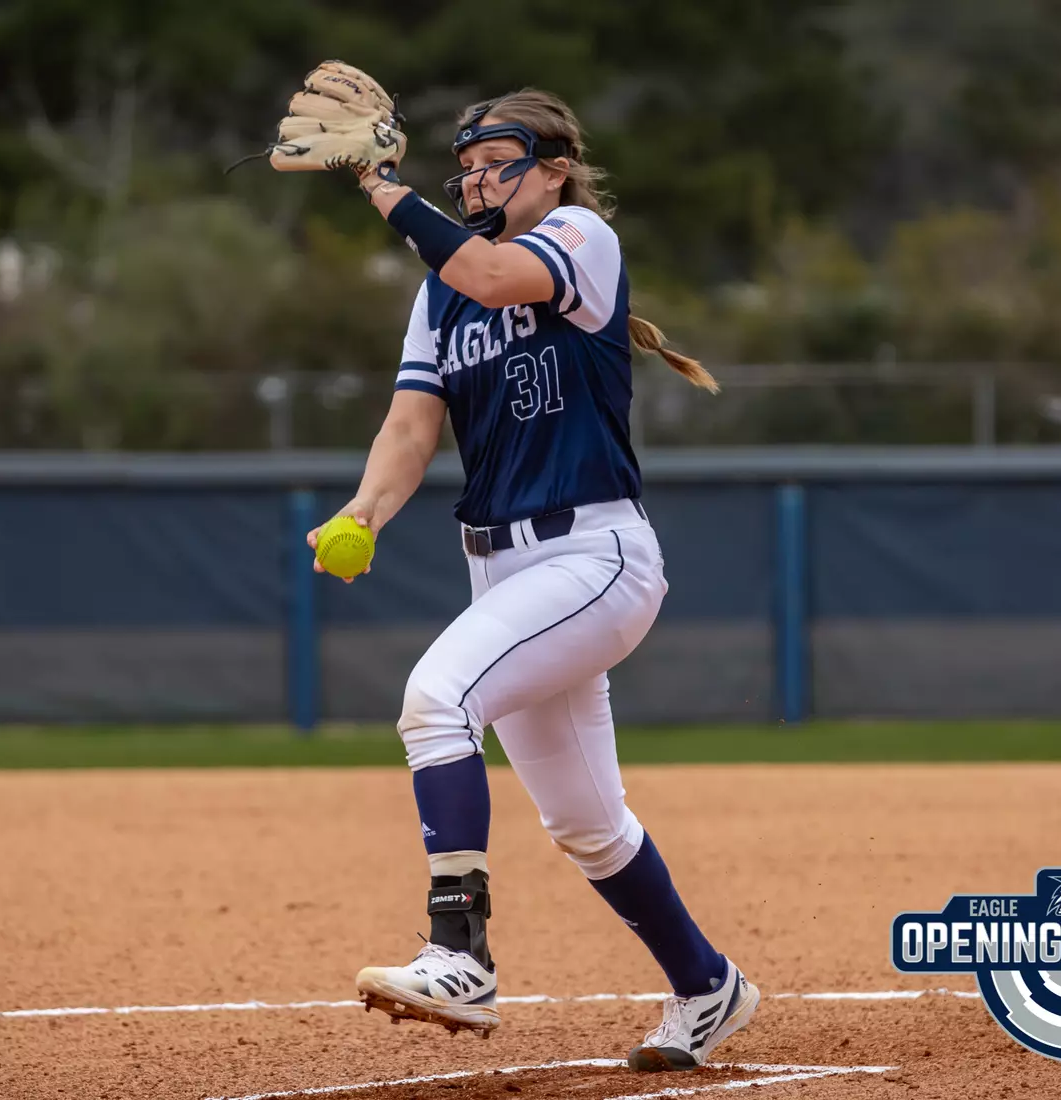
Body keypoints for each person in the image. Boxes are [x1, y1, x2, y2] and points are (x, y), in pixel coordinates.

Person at [282, 65, 758, 1072]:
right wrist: (364, 510)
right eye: (466, 171)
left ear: (557, 171)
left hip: (593, 554)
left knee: (434, 698)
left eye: (501, 165)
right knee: (588, 825)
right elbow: (412, 428)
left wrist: (380, 188)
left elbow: (497, 276)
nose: (478, 184)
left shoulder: (582, 240)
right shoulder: (439, 298)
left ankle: (461, 953)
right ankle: (710, 986)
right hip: (502, 571)